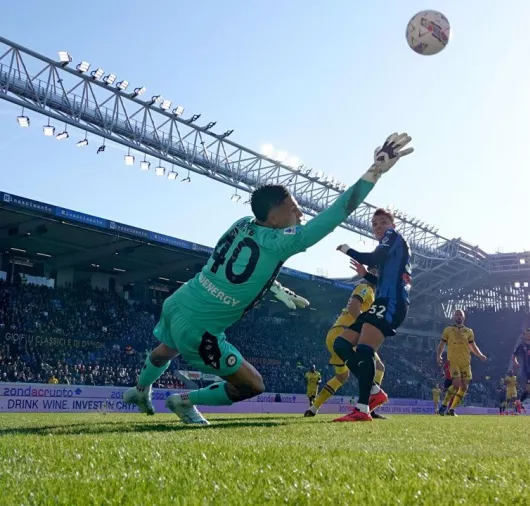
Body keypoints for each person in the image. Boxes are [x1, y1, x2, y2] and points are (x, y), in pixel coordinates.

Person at [122, 133, 414, 425]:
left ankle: (140, 389)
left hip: (181, 300)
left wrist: (278, 290)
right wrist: (374, 172)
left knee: (165, 349)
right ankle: (182, 401)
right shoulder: (281, 241)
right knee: (252, 385)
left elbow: (235, 268)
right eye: (292, 209)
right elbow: (337, 212)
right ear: (274, 220)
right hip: (200, 329)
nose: (300, 212)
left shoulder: (241, 224)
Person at [330, 207, 413, 422]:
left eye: (383, 222)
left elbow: (376, 257)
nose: (378, 227)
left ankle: (363, 408)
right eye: (375, 224)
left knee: (365, 350)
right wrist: (366, 275)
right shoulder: (393, 248)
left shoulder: (392, 237)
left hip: (392, 303)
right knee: (341, 344)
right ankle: (375, 392)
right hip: (382, 302)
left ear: (393, 225)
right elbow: (384, 279)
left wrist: (348, 250)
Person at [304, 267, 375, 418]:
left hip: (335, 334)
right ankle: (369, 408)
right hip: (346, 334)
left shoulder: (370, 294)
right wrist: (366, 328)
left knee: (342, 377)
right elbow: (353, 308)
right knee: (378, 366)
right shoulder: (365, 288)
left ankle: (313, 408)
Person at [436, 309, 488, 417]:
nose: (458, 316)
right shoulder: (448, 330)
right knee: (456, 384)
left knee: (464, 387)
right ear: (453, 317)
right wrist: (439, 355)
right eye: (457, 315)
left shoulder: (469, 331)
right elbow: (441, 344)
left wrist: (480, 355)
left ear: (464, 318)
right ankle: (444, 405)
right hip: (454, 361)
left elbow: (473, 346)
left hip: (465, 362)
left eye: (460, 315)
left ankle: (452, 409)